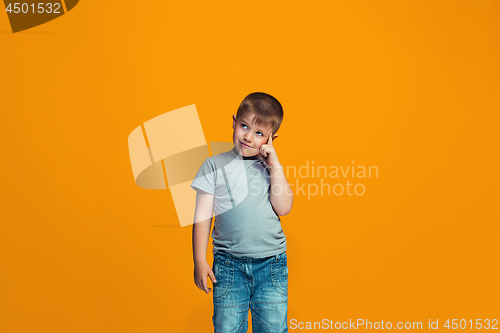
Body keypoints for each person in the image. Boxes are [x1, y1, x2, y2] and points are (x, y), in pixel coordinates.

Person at [191, 92, 294, 332]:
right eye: (244, 126)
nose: (248, 136)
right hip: (229, 266)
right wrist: (199, 260)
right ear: (234, 121)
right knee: (227, 328)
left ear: (271, 138)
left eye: (259, 133)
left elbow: (284, 207)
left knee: (273, 328)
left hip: (271, 265)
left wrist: (275, 165)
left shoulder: (270, 168)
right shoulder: (214, 165)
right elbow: (202, 218)